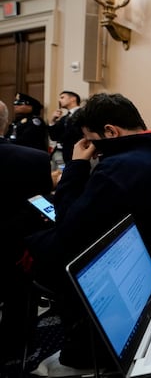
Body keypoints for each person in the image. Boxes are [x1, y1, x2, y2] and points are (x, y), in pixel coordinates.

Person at [27, 93, 151, 369]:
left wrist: (77, 164)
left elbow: (68, 226)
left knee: (35, 244)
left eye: (93, 142)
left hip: (130, 275)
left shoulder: (118, 167)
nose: (93, 150)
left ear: (111, 132)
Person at [0, 99, 54, 362]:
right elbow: (41, 211)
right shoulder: (35, 159)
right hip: (16, 250)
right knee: (19, 299)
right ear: (5, 123)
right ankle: (15, 352)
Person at [48, 90, 82, 170]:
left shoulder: (82, 113)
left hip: (76, 154)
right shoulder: (65, 118)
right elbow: (54, 137)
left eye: (62, 97)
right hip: (63, 154)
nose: (59, 100)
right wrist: (52, 121)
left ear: (73, 99)